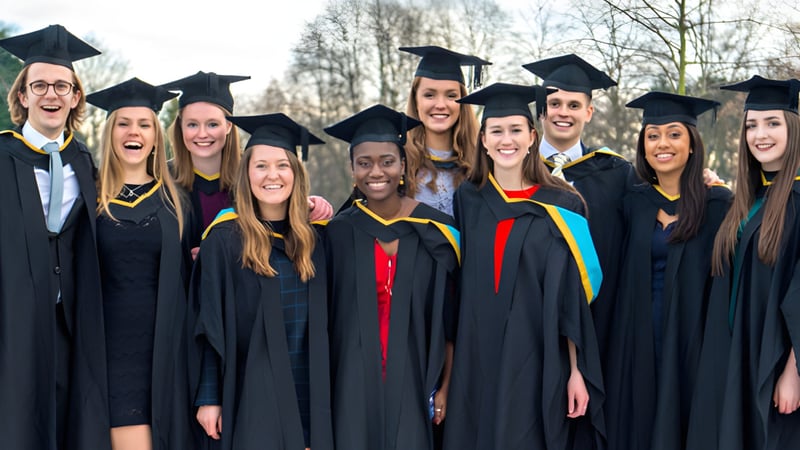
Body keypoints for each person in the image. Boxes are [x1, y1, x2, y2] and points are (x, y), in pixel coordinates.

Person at [443, 82, 605, 450]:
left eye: (516, 130)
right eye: (496, 131)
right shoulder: (469, 198)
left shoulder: (565, 205)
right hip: (477, 353)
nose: (506, 140)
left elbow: (574, 297)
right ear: (483, 140)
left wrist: (577, 371)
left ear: (532, 136)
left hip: (539, 353)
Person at [190, 113, 332, 450]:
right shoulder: (224, 241)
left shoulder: (319, 241)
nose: (272, 175)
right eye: (261, 166)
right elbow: (207, 322)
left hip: (310, 386)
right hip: (251, 389)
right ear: (246, 174)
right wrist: (210, 396)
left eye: (283, 165)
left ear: (296, 174)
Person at [323, 104, 460, 450]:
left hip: (415, 383)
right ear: (352, 169)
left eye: (387, 160)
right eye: (364, 162)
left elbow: (451, 317)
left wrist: (446, 385)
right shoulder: (336, 233)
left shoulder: (437, 230)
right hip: (351, 387)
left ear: (402, 166)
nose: (376, 171)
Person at [0, 24, 110, 449]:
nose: (52, 95)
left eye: (62, 86)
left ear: (76, 97)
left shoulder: (84, 160)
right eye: (40, 85)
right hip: (14, 322)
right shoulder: (3, 156)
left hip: (72, 321)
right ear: (23, 95)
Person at [603, 92, 731, 450]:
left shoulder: (718, 205)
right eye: (652, 135)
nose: (663, 143)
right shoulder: (631, 204)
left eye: (675, 134)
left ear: (692, 145)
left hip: (694, 345)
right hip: (636, 344)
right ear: (643, 147)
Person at [690, 76, 800, 450]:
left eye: (773, 123)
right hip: (733, 354)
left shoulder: (798, 201)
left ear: (794, 129)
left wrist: (793, 371)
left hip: (772, 360)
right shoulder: (748, 201)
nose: (759, 134)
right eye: (752, 125)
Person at [86, 77, 193, 450]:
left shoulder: (177, 201)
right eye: (123, 123)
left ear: (156, 135)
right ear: (110, 131)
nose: (134, 132)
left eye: (144, 124)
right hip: (106, 353)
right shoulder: (87, 194)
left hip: (167, 354)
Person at [522, 54, 634, 367]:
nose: (563, 113)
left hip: (596, 320)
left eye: (574, 105)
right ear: (541, 109)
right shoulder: (513, 169)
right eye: (555, 103)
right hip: (525, 321)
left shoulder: (616, 173)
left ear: (589, 112)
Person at [161, 71, 334, 254]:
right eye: (192, 124)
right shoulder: (161, 178)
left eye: (213, 124)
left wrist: (306, 204)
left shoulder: (253, 173)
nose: (202, 134)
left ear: (228, 126)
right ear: (180, 126)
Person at [399, 45, 490, 216]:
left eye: (451, 96)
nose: (440, 105)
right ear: (415, 100)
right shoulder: (398, 162)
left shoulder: (483, 161)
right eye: (429, 95)